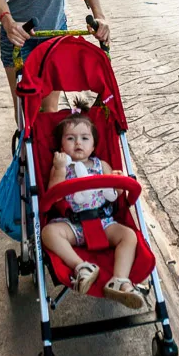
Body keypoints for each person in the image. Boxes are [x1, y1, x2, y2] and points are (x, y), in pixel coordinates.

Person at [40, 109, 143, 307]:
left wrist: (118, 183)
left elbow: (115, 195)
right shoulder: (62, 167)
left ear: (94, 144)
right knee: (49, 233)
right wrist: (60, 168)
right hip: (73, 224)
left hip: (104, 222)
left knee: (129, 236)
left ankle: (119, 281)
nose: (78, 143)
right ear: (61, 145)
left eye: (84, 138)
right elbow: (54, 195)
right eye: (70, 138)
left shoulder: (100, 164)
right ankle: (81, 267)